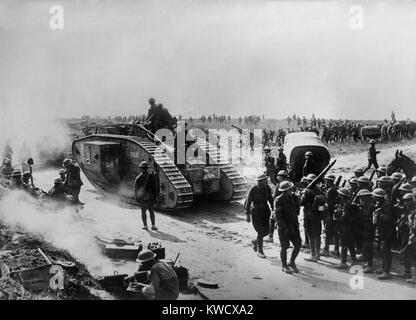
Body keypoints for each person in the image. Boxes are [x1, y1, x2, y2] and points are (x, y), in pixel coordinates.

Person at [274, 181, 302, 273]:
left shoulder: (293, 198)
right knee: (284, 246)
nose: (290, 191)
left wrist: (298, 200)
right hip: (284, 227)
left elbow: (297, 212)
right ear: (284, 191)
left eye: (290, 189)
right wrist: (283, 228)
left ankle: (292, 262)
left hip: (293, 225)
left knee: (298, 244)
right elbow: (278, 216)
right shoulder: (278, 200)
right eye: (289, 189)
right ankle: (284, 265)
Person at [245, 174, 274, 258]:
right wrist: (247, 214)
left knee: (267, 231)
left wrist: (273, 209)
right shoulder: (253, 189)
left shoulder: (267, 188)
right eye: (265, 180)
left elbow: (271, 200)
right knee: (260, 232)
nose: (266, 181)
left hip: (265, 211)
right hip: (256, 212)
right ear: (260, 181)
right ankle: (260, 251)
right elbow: (248, 202)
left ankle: (255, 241)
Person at [301, 174, 325, 262]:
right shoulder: (320, 191)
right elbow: (322, 206)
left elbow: (301, 203)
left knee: (311, 236)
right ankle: (318, 254)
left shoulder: (307, 191)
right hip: (318, 216)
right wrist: (321, 215)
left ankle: (313, 254)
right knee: (317, 235)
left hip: (309, 215)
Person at [372, 188, 394, 280]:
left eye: (375, 196)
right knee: (383, 249)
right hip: (382, 231)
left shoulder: (387, 206)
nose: (374, 198)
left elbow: (387, 219)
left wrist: (379, 214)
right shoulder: (380, 205)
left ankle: (387, 271)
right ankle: (384, 268)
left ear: (379, 197)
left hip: (388, 231)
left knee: (386, 250)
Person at [334, 188, 359, 269]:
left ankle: (343, 262)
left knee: (344, 245)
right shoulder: (349, 204)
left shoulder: (347, 205)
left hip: (346, 228)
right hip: (351, 228)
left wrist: (338, 216)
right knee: (351, 245)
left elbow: (344, 217)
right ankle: (354, 261)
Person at [134, 161, 158, 231]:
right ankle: (153, 225)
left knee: (143, 212)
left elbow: (135, 189)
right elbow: (154, 187)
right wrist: (155, 197)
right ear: (147, 168)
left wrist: (136, 198)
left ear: (141, 168)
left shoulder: (138, 178)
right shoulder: (151, 176)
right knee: (151, 212)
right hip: (150, 197)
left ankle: (145, 226)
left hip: (142, 197)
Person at [356, 189, 376, 273]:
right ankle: (366, 260)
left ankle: (370, 265)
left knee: (368, 247)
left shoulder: (371, 207)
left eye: (362, 198)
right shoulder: (364, 206)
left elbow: (369, 219)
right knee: (364, 246)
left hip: (369, 229)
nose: (361, 200)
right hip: (364, 229)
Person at [397, 193, 416, 279]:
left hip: (413, 235)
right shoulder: (406, 209)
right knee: (407, 254)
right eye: (405, 201)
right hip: (407, 234)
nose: (406, 202)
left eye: (408, 200)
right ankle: (407, 272)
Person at [321, 174, 340, 257]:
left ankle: (326, 249)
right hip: (335, 213)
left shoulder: (330, 190)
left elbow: (327, 204)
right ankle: (336, 249)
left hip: (329, 213)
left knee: (328, 231)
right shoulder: (335, 188)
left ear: (328, 181)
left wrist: (319, 209)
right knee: (335, 232)